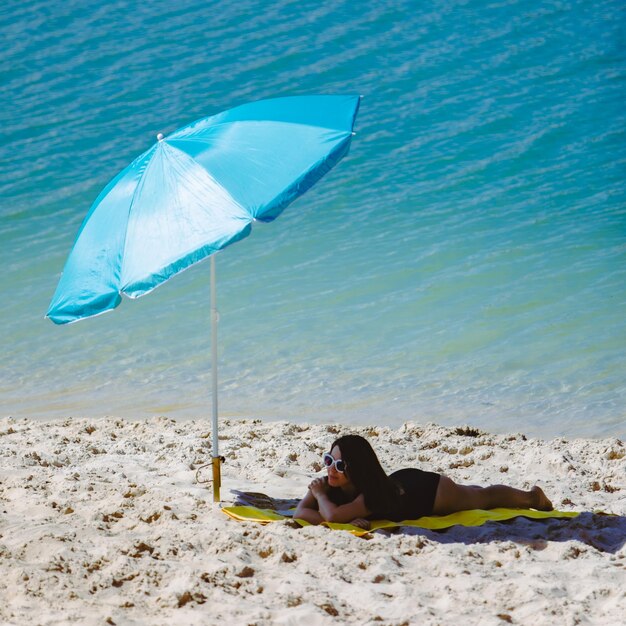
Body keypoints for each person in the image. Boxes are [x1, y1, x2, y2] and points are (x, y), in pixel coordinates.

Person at [294, 434, 553, 530]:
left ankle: (532, 498)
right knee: (474, 493)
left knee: (481, 498)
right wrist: (341, 515)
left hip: (427, 492)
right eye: (329, 460)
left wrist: (323, 500)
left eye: (340, 465)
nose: (331, 469)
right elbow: (301, 513)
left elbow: (333, 516)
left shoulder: (368, 493)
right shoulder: (329, 482)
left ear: (358, 471)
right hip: (402, 484)